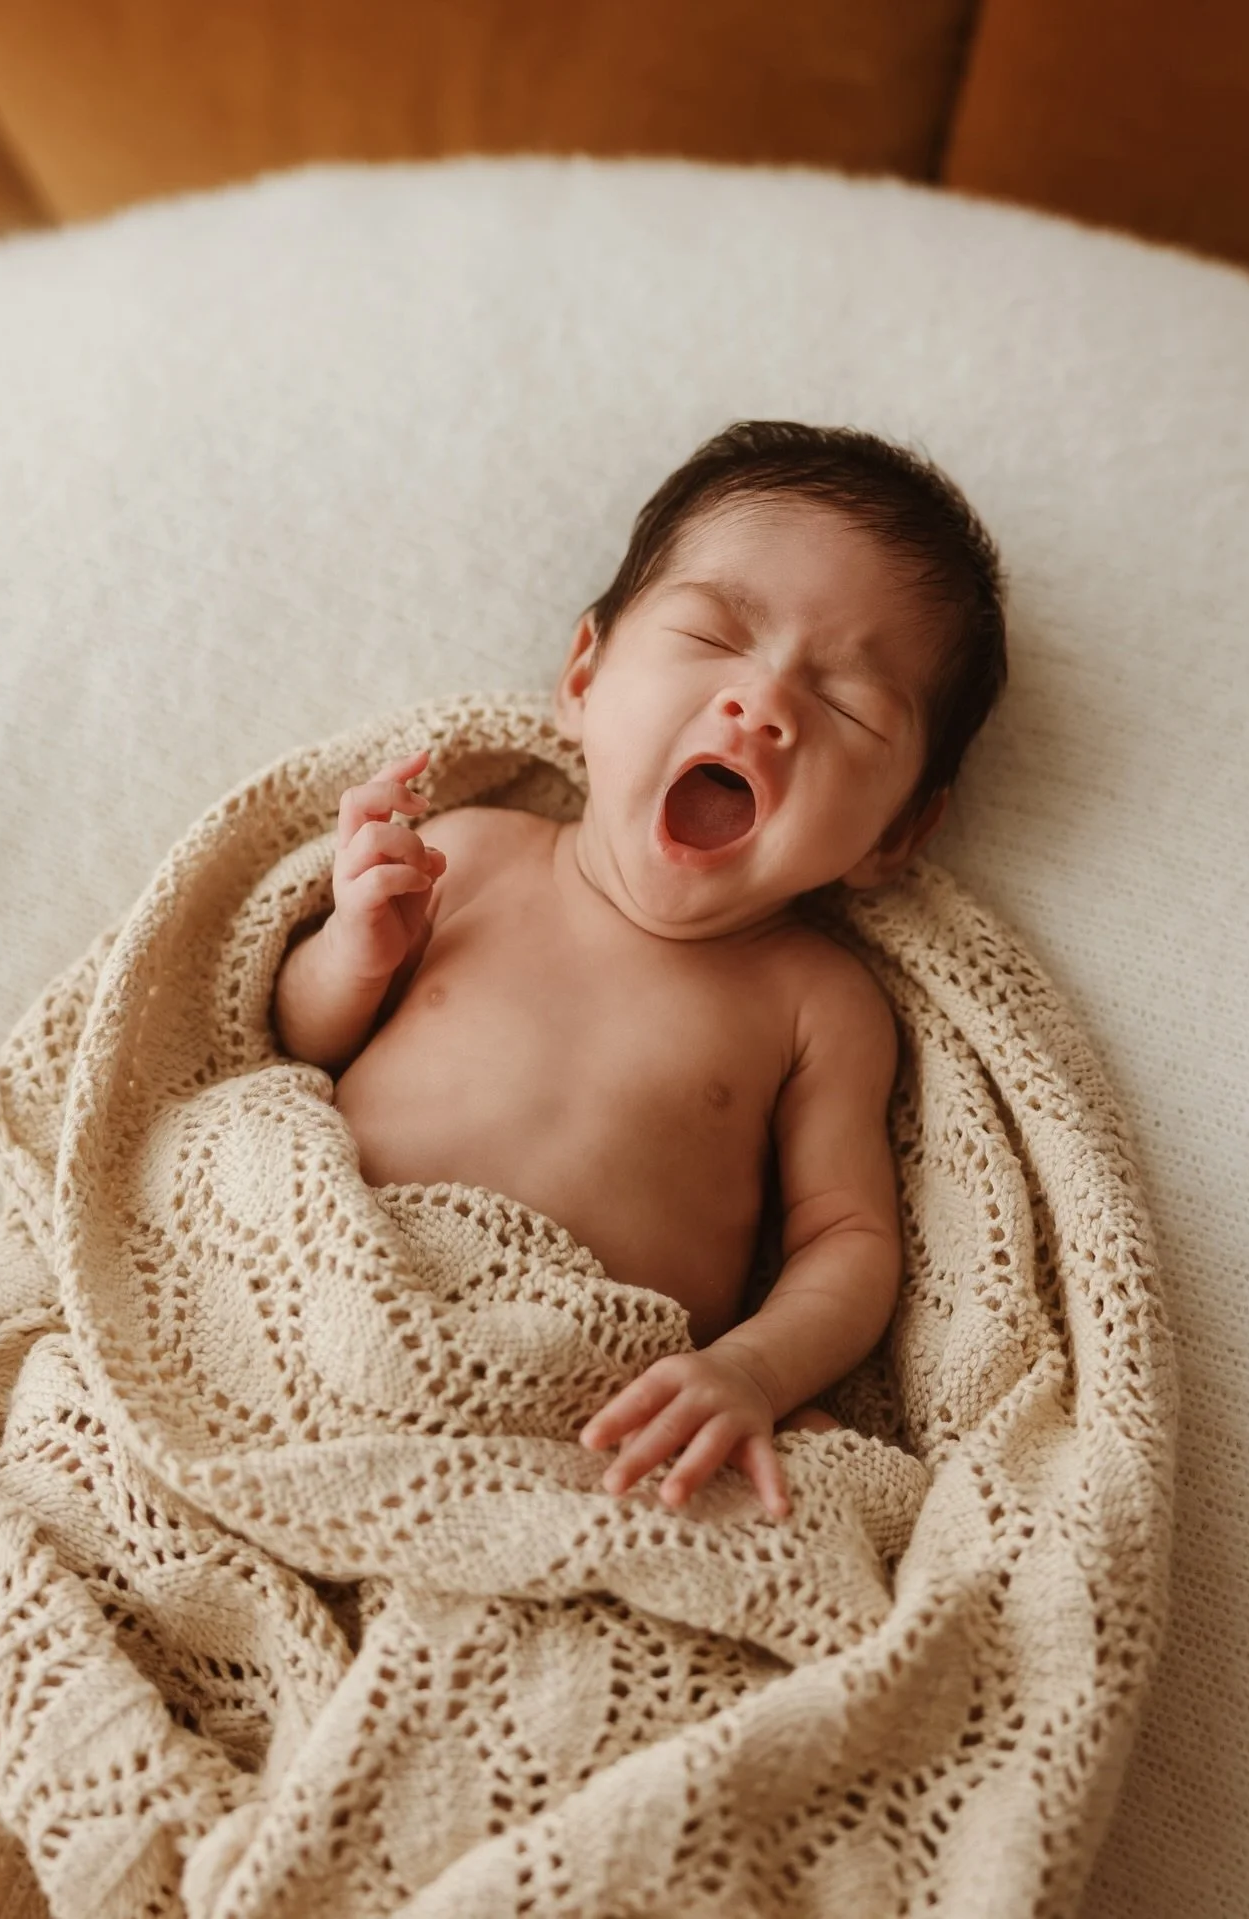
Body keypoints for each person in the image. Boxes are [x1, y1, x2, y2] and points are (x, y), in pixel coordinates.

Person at [274, 421, 1007, 1517]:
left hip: (578, 1428)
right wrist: (351, 952)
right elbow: (300, 1044)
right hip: (319, 1293)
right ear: (583, 674)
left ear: (896, 834)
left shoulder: (817, 1004)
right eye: (715, 637)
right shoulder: (468, 854)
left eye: (849, 702)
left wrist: (755, 1368)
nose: (761, 706)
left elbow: (847, 1243)